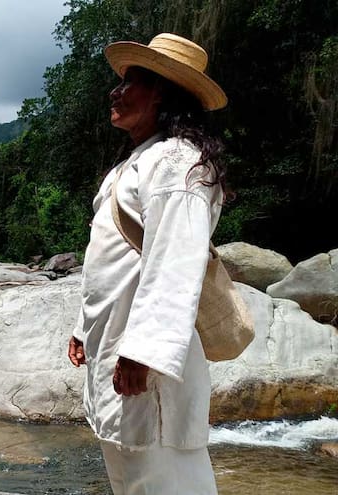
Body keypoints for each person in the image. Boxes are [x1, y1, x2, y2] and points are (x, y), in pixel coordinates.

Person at [67, 33, 229, 494]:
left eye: (131, 81)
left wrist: (145, 352)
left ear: (164, 92)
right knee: (130, 474)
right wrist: (83, 326)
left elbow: (176, 260)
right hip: (113, 340)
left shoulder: (180, 163)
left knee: (164, 477)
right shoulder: (136, 163)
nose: (115, 91)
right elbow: (110, 261)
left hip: (143, 356)